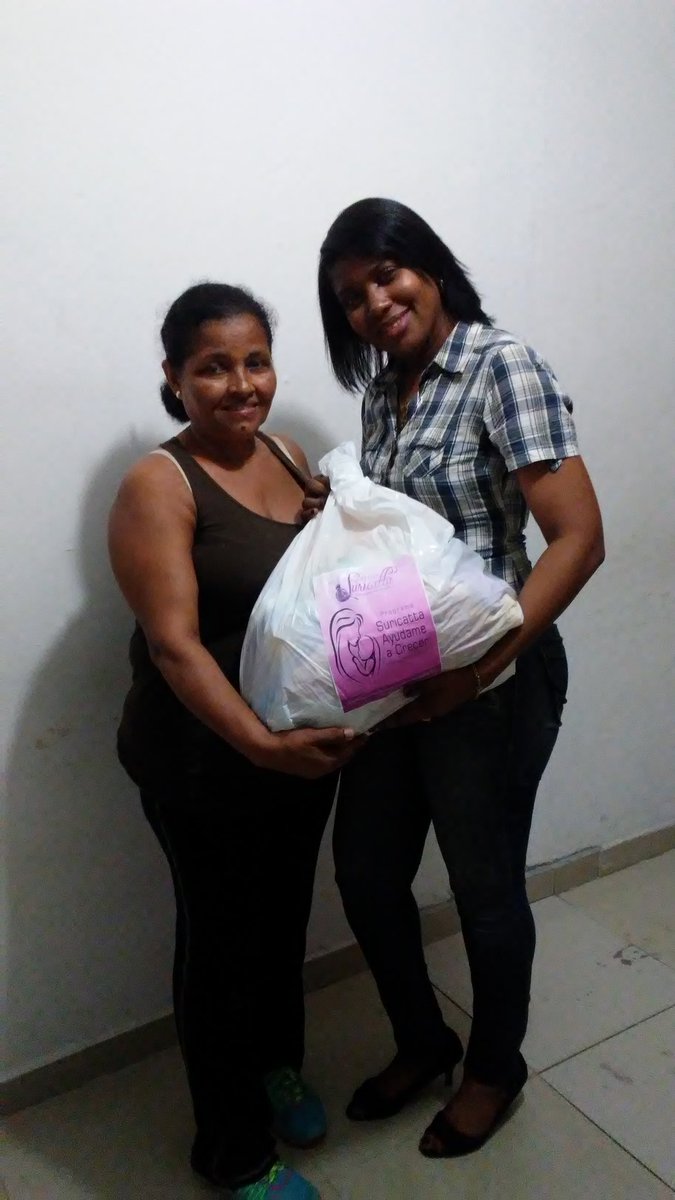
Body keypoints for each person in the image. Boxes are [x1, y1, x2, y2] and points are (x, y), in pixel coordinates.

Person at [308, 199, 605, 1159]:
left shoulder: (499, 365)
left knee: (483, 887)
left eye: (386, 274)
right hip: (402, 682)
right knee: (365, 872)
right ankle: (422, 1040)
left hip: (495, 682)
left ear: (428, 266)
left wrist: (479, 672)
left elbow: (578, 538)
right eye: (350, 296)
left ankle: (493, 1067)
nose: (374, 302)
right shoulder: (380, 395)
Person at [109, 283, 363, 1199]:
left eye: (255, 361)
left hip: (293, 750)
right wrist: (259, 747)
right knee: (218, 945)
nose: (241, 384)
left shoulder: (287, 455)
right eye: (213, 367)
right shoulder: (159, 484)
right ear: (174, 378)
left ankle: (275, 1068)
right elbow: (174, 647)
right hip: (201, 760)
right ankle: (233, 1154)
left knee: (282, 920)